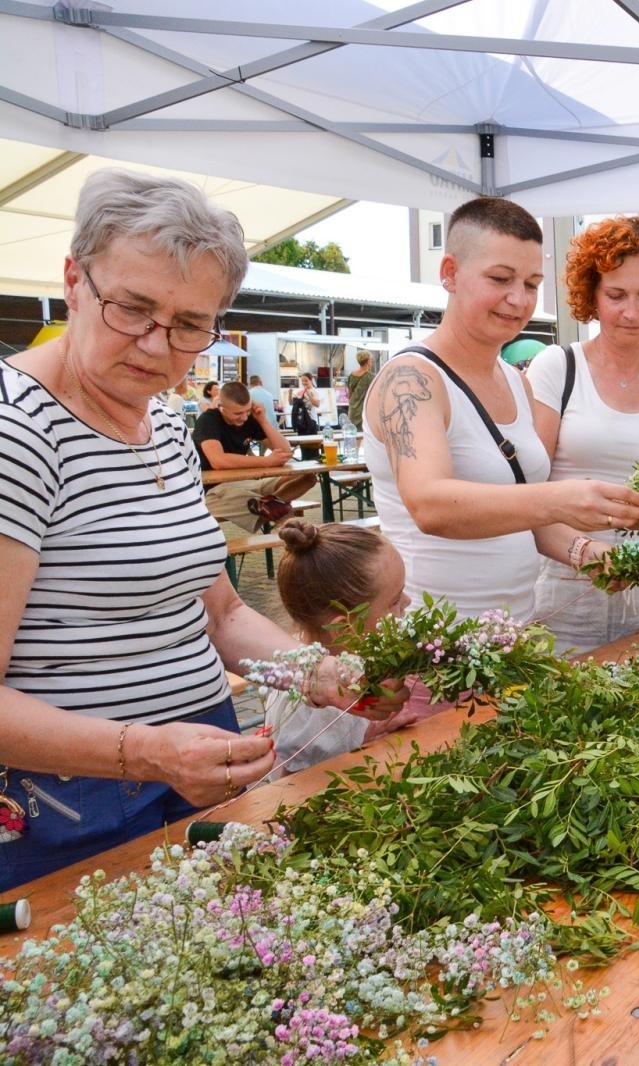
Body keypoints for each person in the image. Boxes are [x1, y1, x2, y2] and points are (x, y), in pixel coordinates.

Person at [0, 169, 401, 892]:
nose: (158, 346)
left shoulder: (160, 421)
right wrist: (148, 753)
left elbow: (218, 611)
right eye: (132, 308)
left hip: (199, 765)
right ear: (73, 281)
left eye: (190, 325)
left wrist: (321, 675)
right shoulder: (17, 431)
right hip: (71, 802)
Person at [365, 197, 639, 627]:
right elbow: (429, 504)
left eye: (532, 284)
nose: (518, 300)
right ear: (450, 274)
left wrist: (587, 553)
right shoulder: (411, 379)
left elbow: (519, 512)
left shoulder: (517, 381)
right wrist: (559, 498)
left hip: (512, 637)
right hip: (431, 646)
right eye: (500, 279)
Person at [527, 215, 639, 654]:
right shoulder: (557, 369)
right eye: (616, 295)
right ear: (592, 295)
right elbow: (524, 498)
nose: (632, 311)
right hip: (563, 591)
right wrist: (586, 552)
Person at [266, 520, 418, 775]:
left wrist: (368, 739)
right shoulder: (311, 702)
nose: (408, 601)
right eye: (394, 600)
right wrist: (361, 752)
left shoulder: (345, 666)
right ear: (345, 628)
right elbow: (295, 787)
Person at [193, 380, 319, 530]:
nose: (244, 418)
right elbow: (218, 461)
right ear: (221, 407)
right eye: (238, 413)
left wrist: (262, 420)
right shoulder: (208, 421)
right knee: (274, 510)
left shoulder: (250, 419)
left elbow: (285, 451)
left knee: (308, 478)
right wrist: (267, 461)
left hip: (245, 483)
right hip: (213, 490)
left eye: (247, 411)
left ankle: (269, 505)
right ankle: (272, 509)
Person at [345, 348, 375, 429]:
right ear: (368, 361)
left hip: (352, 411)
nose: (371, 362)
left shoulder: (351, 375)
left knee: (353, 435)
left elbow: (349, 395)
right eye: (371, 360)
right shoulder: (371, 377)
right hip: (363, 413)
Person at [288, 372, 321, 436]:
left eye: (306, 380)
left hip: (311, 420)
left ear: (311, 380)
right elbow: (291, 403)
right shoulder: (301, 391)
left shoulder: (314, 391)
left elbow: (317, 404)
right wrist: (290, 393)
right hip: (301, 421)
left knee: (312, 443)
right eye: (302, 381)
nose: (304, 382)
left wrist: (309, 394)